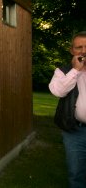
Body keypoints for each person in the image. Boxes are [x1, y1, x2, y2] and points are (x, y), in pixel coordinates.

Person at [49, 31, 86, 188]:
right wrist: (76, 71)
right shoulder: (62, 71)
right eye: (79, 47)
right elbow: (58, 91)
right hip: (75, 131)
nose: (84, 51)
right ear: (72, 51)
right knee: (76, 173)